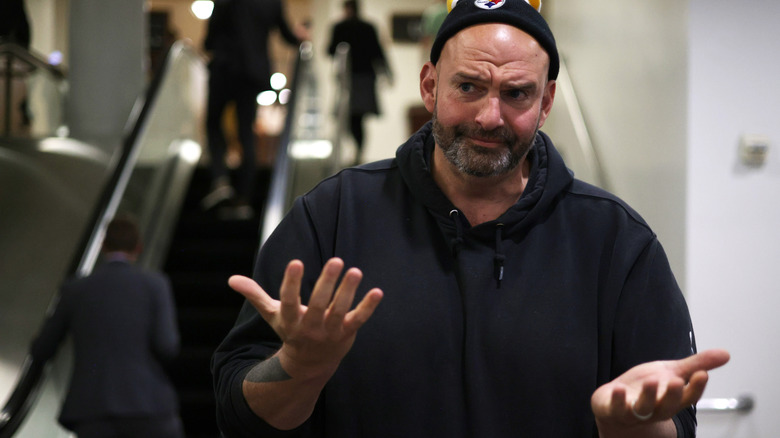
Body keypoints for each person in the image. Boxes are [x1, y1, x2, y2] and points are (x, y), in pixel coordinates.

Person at [212, 1, 730, 437]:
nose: (489, 116)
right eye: (468, 87)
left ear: (546, 101)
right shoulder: (333, 215)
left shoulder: (616, 242)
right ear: (429, 86)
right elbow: (238, 415)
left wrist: (634, 424)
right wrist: (299, 371)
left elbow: (671, 423)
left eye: (516, 93)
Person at [30, 217, 184, 438]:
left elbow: (42, 349)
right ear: (138, 248)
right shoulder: (155, 285)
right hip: (149, 407)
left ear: (103, 246)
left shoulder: (75, 289)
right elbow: (167, 346)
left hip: (93, 412)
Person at [201, 0, 308, 218]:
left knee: (213, 123)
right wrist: (301, 37)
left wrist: (213, 43)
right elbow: (286, 35)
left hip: (225, 68)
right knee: (246, 132)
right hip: (253, 72)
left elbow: (210, 39)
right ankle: (244, 198)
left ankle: (220, 179)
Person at [327, 0, 393, 164]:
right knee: (357, 118)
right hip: (364, 78)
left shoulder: (340, 27)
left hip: (349, 78)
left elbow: (329, 50)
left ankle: (357, 152)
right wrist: (388, 73)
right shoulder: (368, 27)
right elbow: (378, 53)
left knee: (351, 118)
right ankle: (358, 152)